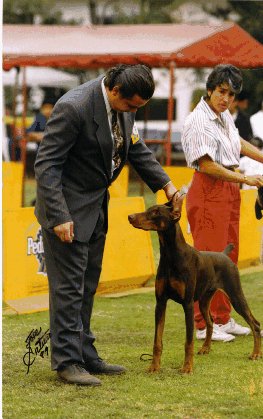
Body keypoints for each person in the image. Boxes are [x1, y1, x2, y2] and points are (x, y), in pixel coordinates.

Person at [34, 64, 178, 386]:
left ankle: (85, 353)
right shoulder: (74, 107)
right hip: (66, 211)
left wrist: (166, 185)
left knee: (86, 285)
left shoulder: (125, 108)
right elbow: (47, 164)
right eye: (132, 105)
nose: (134, 111)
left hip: (96, 208)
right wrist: (59, 217)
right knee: (68, 288)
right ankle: (67, 362)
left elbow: (135, 148)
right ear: (114, 91)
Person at [181, 64, 263, 342]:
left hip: (228, 187)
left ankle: (222, 317)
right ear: (210, 90)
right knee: (206, 259)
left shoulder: (224, 115)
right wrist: (246, 177)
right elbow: (206, 165)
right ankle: (201, 323)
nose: (226, 98)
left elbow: (236, 141)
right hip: (209, 187)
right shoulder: (198, 120)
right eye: (221, 92)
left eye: (231, 94)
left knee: (228, 256)